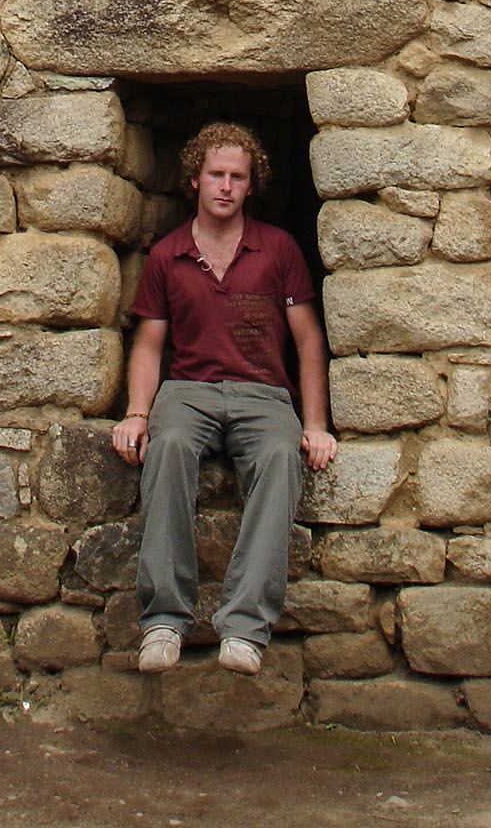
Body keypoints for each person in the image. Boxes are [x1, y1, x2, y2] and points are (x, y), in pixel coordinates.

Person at [111, 122, 338, 676]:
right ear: (195, 179)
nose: (226, 186)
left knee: (283, 459)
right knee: (165, 452)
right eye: (216, 174)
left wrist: (315, 423)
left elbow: (309, 341)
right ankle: (164, 620)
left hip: (264, 394)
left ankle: (244, 627)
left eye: (238, 177)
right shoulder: (168, 255)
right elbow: (149, 344)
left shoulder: (278, 249)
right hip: (188, 391)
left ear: (250, 185)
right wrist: (137, 413)